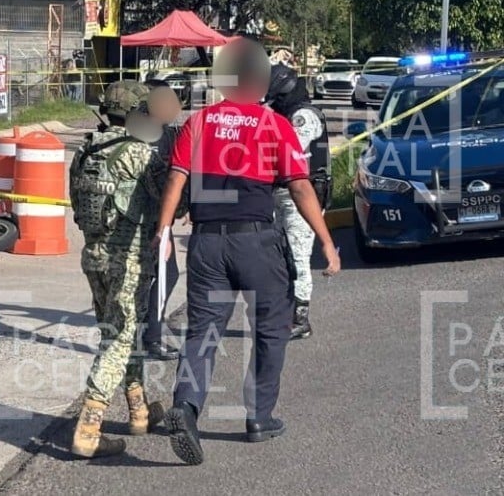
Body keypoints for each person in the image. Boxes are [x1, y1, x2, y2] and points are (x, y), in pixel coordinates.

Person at [154, 36, 341, 466]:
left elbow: (177, 178)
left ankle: (186, 405)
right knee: (272, 328)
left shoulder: (198, 123)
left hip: (205, 242)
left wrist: (163, 231)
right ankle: (259, 417)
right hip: (255, 240)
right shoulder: (274, 125)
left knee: (203, 331)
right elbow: (299, 186)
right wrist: (327, 242)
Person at [67, 80, 169, 458]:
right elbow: (170, 199)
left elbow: (76, 205)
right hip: (127, 259)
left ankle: (138, 410)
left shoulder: (85, 152)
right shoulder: (139, 154)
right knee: (119, 339)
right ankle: (89, 427)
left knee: (127, 332)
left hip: (94, 256)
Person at [263, 63, 330, 341]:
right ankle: (287, 311)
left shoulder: (303, 115)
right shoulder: (285, 114)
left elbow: (288, 152)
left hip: (302, 196)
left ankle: (300, 319)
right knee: (284, 254)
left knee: (299, 254)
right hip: (285, 194)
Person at [142, 82, 186, 360]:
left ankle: (147, 331)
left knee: (163, 275)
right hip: (149, 219)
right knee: (163, 275)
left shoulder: (167, 133)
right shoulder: (147, 136)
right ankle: (152, 337)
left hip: (159, 218)